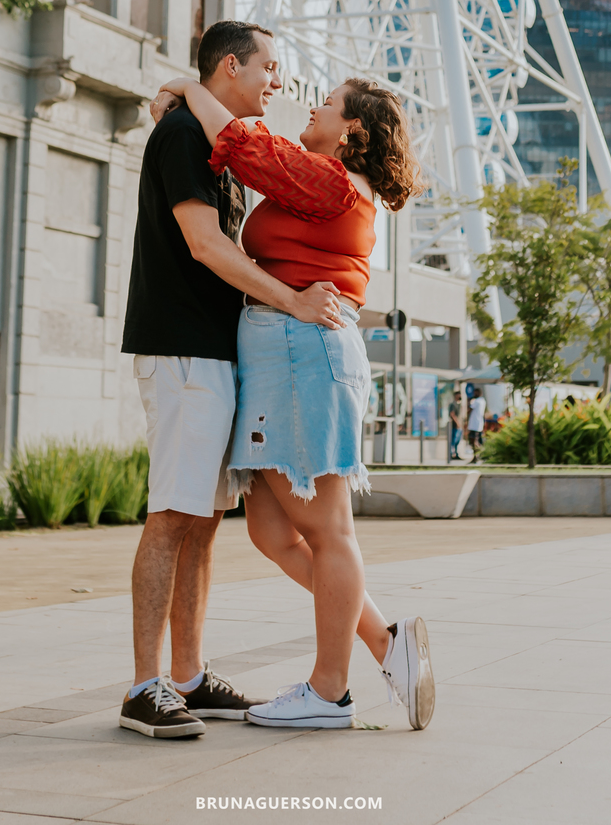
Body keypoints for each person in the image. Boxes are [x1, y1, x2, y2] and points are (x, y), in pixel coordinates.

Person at [152, 70, 434, 733]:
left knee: (326, 528)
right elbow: (260, 151)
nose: (314, 105)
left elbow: (248, 149)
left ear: (353, 132)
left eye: (328, 104)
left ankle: (330, 691)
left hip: (301, 351)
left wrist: (189, 89)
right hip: (283, 353)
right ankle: (389, 646)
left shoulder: (333, 181)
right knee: (271, 531)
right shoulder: (320, 179)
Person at [118, 21, 345, 741]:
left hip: (216, 356)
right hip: (182, 351)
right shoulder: (183, 136)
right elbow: (203, 243)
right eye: (269, 69)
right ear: (230, 66)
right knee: (172, 516)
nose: (277, 83)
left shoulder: (217, 144)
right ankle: (143, 686)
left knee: (204, 522)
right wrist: (293, 301)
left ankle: (187, 675)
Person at [466, 388, 486, 455]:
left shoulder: (476, 401)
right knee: (477, 440)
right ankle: (479, 454)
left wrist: (469, 402)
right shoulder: (483, 401)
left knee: (473, 440)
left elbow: (469, 410)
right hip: (479, 424)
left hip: (474, 425)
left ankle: (477, 455)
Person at [447, 395, 463, 462]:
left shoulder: (459, 404)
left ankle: (456, 454)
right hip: (454, 426)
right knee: (453, 441)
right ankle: (451, 454)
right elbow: (452, 414)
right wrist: (457, 423)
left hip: (459, 426)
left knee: (457, 441)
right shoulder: (453, 404)